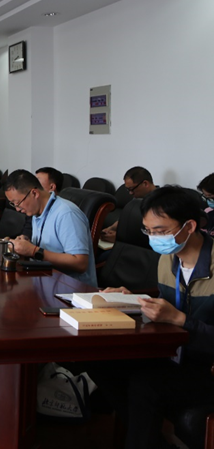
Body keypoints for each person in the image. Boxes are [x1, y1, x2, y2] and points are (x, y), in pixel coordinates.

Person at [90, 186, 214, 449]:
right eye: (148, 231)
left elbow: (179, 317)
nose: (154, 239)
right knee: (101, 362)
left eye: (160, 231)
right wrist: (133, 299)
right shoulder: (167, 259)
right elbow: (169, 304)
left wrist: (180, 320)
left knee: (146, 386)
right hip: (173, 352)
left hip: (206, 366)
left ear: (189, 226)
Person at [4, 169, 97, 286]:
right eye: (13, 204)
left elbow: (80, 263)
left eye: (18, 203)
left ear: (34, 193)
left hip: (71, 288)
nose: (17, 209)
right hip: (45, 280)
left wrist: (33, 251)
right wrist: (25, 244)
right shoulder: (37, 211)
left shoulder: (66, 214)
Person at [101, 166, 157, 243]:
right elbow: (127, 218)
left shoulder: (161, 203)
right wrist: (111, 228)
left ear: (145, 184)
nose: (130, 193)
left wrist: (120, 238)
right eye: (128, 190)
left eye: (132, 189)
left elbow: (154, 235)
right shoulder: (138, 198)